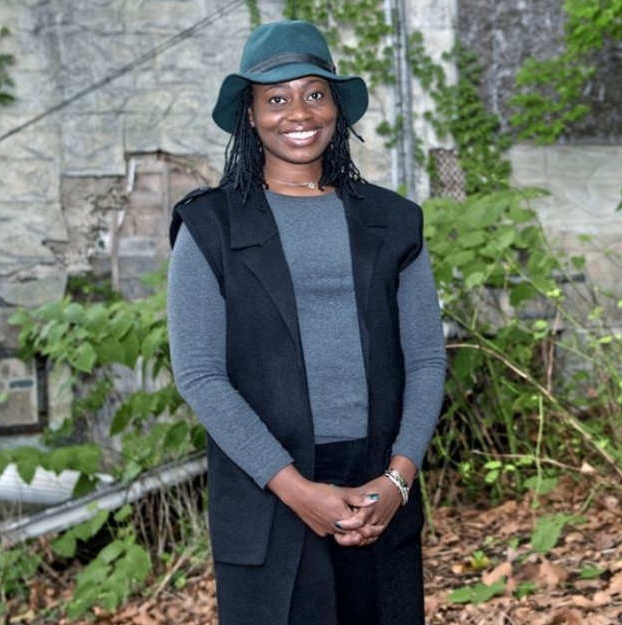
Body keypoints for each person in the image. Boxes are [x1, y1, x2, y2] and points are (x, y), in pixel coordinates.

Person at [165, 19, 447, 625]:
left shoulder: (394, 222)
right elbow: (199, 375)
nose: (299, 112)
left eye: (314, 93)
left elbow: (425, 358)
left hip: (379, 490)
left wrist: (397, 481)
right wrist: (297, 490)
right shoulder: (209, 227)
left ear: (337, 109)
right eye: (276, 98)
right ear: (250, 115)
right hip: (269, 494)